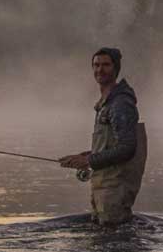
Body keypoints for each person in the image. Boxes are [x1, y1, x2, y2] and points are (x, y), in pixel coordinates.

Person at [60, 46, 147, 224]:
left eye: (106, 65)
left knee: (111, 243)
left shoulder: (120, 103)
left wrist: (89, 161)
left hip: (115, 189)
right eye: (96, 65)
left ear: (115, 68)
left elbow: (127, 148)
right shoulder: (106, 103)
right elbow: (112, 144)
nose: (100, 69)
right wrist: (84, 156)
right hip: (104, 187)